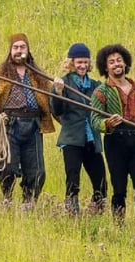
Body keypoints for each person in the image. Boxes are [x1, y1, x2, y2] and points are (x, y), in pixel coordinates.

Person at [0, 33, 54, 208]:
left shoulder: (38, 75)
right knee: (7, 168)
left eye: (22, 47)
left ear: (28, 50)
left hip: (33, 125)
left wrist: (60, 90)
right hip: (8, 125)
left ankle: (29, 203)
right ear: (10, 51)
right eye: (16, 48)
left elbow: (53, 101)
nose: (19, 51)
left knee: (38, 172)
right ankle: (7, 201)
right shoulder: (0, 73)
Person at [90, 44, 135, 234]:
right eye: (111, 62)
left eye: (119, 60)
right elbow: (94, 120)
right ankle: (119, 229)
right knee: (119, 187)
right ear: (105, 67)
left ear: (125, 63)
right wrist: (107, 122)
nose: (116, 64)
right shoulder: (101, 91)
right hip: (116, 141)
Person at [51, 43, 107, 216]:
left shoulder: (96, 86)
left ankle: (95, 213)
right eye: (79, 62)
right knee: (73, 179)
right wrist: (58, 93)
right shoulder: (63, 83)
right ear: (71, 63)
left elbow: (104, 111)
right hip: (72, 140)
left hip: (92, 140)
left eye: (85, 62)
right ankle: (72, 215)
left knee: (101, 181)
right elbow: (57, 111)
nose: (82, 66)